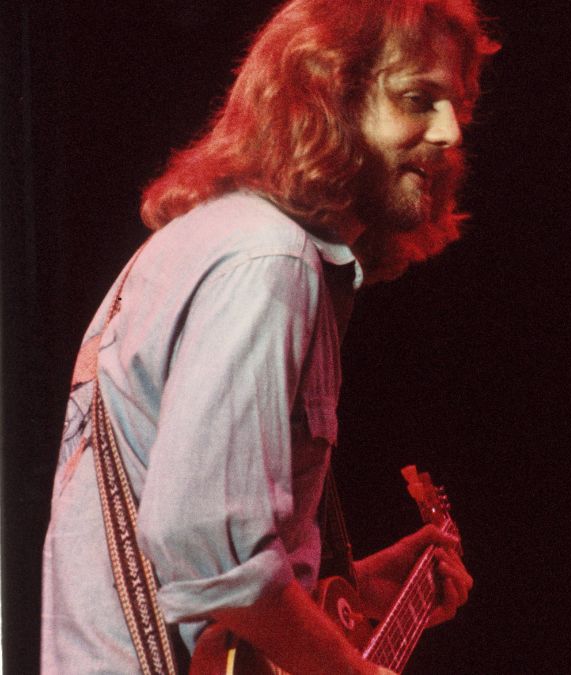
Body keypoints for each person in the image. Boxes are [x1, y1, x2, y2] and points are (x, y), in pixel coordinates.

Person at [40, 0, 498, 673]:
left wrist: (355, 585)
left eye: (455, 104)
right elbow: (207, 549)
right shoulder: (268, 260)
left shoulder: (217, 243)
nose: (451, 131)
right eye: (417, 98)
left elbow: (198, 552)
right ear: (329, 97)